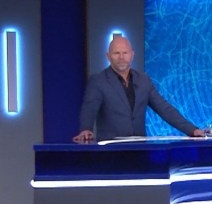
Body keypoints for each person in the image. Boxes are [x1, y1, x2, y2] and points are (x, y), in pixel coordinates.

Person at [73, 36, 204, 142]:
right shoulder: (98, 81)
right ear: (108, 56)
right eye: (116, 53)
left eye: (125, 53)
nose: (121, 57)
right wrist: (86, 129)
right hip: (111, 152)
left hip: (139, 149)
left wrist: (192, 130)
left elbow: (164, 108)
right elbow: (89, 109)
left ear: (132, 55)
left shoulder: (143, 80)